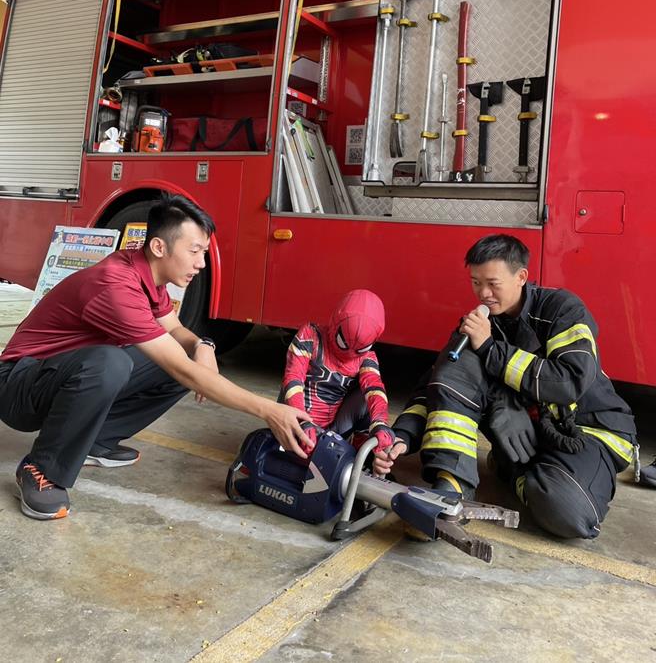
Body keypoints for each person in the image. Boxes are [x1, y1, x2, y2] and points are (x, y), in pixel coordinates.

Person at [0, 193, 311, 521]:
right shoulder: (116, 285)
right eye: (194, 251)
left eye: (204, 252)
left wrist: (204, 346)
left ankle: (96, 440)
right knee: (114, 363)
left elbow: (178, 333)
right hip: (18, 384)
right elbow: (182, 369)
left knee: (177, 359)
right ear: (160, 247)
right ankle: (42, 469)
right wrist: (269, 411)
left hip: (59, 375)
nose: (201, 264)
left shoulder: (147, 275)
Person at [375, 234, 637, 540]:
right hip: (536, 428)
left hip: (590, 431)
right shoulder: (479, 324)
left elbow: (568, 381)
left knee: (567, 511)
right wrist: (403, 435)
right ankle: (451, 488)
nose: (483, 293)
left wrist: (490, 348)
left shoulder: (562, 309)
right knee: (458, 360)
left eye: (492, 283)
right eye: (475, 282)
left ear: (521, 277)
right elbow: (438, 383)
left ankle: (512, 469)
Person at [281, 289, 394, 458]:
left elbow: (375, 389)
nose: (349, 354)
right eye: (344, 343)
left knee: (368, 400)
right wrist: (302, 421)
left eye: (359, 348)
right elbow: (293, 378)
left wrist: (380, 424)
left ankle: (365, 458)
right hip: (295, 423)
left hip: (333, 429)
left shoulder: (367, 357)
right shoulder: (310, 336)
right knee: (290, 388)